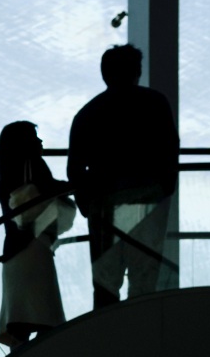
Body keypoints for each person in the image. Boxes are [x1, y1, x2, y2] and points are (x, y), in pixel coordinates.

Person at [67, 43, 179, 309]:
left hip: (103, 204)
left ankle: (107, 342)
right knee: (144, 281)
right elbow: (170, 148)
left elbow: (75, 169)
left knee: (106, 284)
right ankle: (143, 337)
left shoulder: (87, 113)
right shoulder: (155, 103)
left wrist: (87, 204)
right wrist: (165, 189)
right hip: (148, 200)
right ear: (136, 71)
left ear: (105, 74)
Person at [0, 121, 73, 347]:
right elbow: (50, 189)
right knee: (45, 318)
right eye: (34, 137)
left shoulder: (7, 171)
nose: (40, 141)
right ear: (24, 142)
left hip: (13, 253)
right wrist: (75, 185)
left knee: (21, 323)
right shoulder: (32, 164)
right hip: (33, 248)